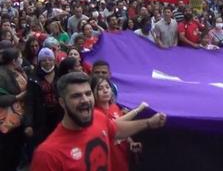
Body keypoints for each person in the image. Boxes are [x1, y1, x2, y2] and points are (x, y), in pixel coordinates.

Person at [31, 72, 167, 170]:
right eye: (76, 96)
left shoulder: (98, 117)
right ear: (62, 102)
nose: (85, 100)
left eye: (88, 93)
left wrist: (149, 123)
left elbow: (117, 130)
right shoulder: (47, 155)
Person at [91, 76, 147, 171]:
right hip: (108, 164)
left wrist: (131, 143)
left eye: (107, 87)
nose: (105, 91)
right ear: (93, 93)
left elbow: (121, 129)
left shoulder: (115, 107)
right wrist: (138, 110)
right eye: (100, 88)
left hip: (122, 160)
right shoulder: (95, 114)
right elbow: (113, 126)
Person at [0, 48, 27, 171]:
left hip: (20, 117)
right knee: (8, 152)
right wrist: (18, 97)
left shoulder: (19, 71)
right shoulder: (2, 75)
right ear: (13, 61)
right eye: (19, 57)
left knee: (17, 149)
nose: (21, 60)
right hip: (7, 120)